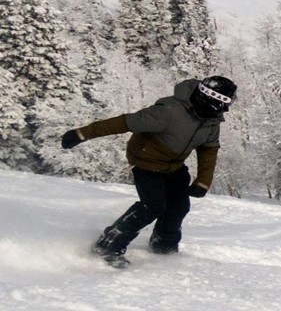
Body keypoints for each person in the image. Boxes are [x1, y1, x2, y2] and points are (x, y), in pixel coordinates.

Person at [62, 76, 238, 266]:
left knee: (178, 207)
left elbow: (208, 150)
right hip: (147, 162)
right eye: (225, 101)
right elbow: (125, 122)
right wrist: (81, 133)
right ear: (213, 100)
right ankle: (108, 245)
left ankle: (163, 247)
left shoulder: (211, 122)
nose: (226, 107)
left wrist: (203, 181)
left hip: (174, 166)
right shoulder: (168, 112)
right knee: (152, 206)